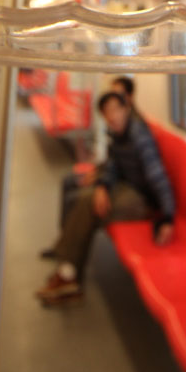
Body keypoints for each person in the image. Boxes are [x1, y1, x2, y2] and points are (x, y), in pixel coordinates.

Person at [35, 90, 175, 305]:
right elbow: (112, 165)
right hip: (126, 187)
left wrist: (167, 217)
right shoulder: (117, 134)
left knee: (87, 203)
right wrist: (102, 186)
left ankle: (68, 276)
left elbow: (157, 177)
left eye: (116, 110)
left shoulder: (139, 136)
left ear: (126, 109)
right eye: (107, 112)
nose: (112, 116)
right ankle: (66, 263)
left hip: (143, 200)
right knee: (79, 196)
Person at [40, 75, 137, 257]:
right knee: (69, 182)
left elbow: (127, 168)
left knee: (82, 199)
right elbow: (114, 158)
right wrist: (99, 173)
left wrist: (101, 181)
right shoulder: (117, 121)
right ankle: (64, 242)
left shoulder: (133, 126)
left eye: (119, 95)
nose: (114, 99)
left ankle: (68, 253)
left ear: (129, 99)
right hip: (112, 172)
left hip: (124, 182)